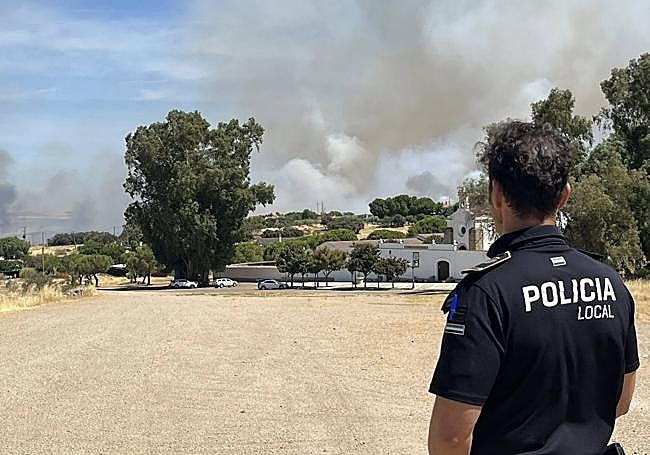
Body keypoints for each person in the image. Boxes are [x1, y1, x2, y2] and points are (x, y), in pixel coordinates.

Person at [427, 121, 639, 454]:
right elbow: (621, 401)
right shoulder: (611, 283)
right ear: (564, 195)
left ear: (496, 193)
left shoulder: (486, 293)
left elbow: (450, 438)